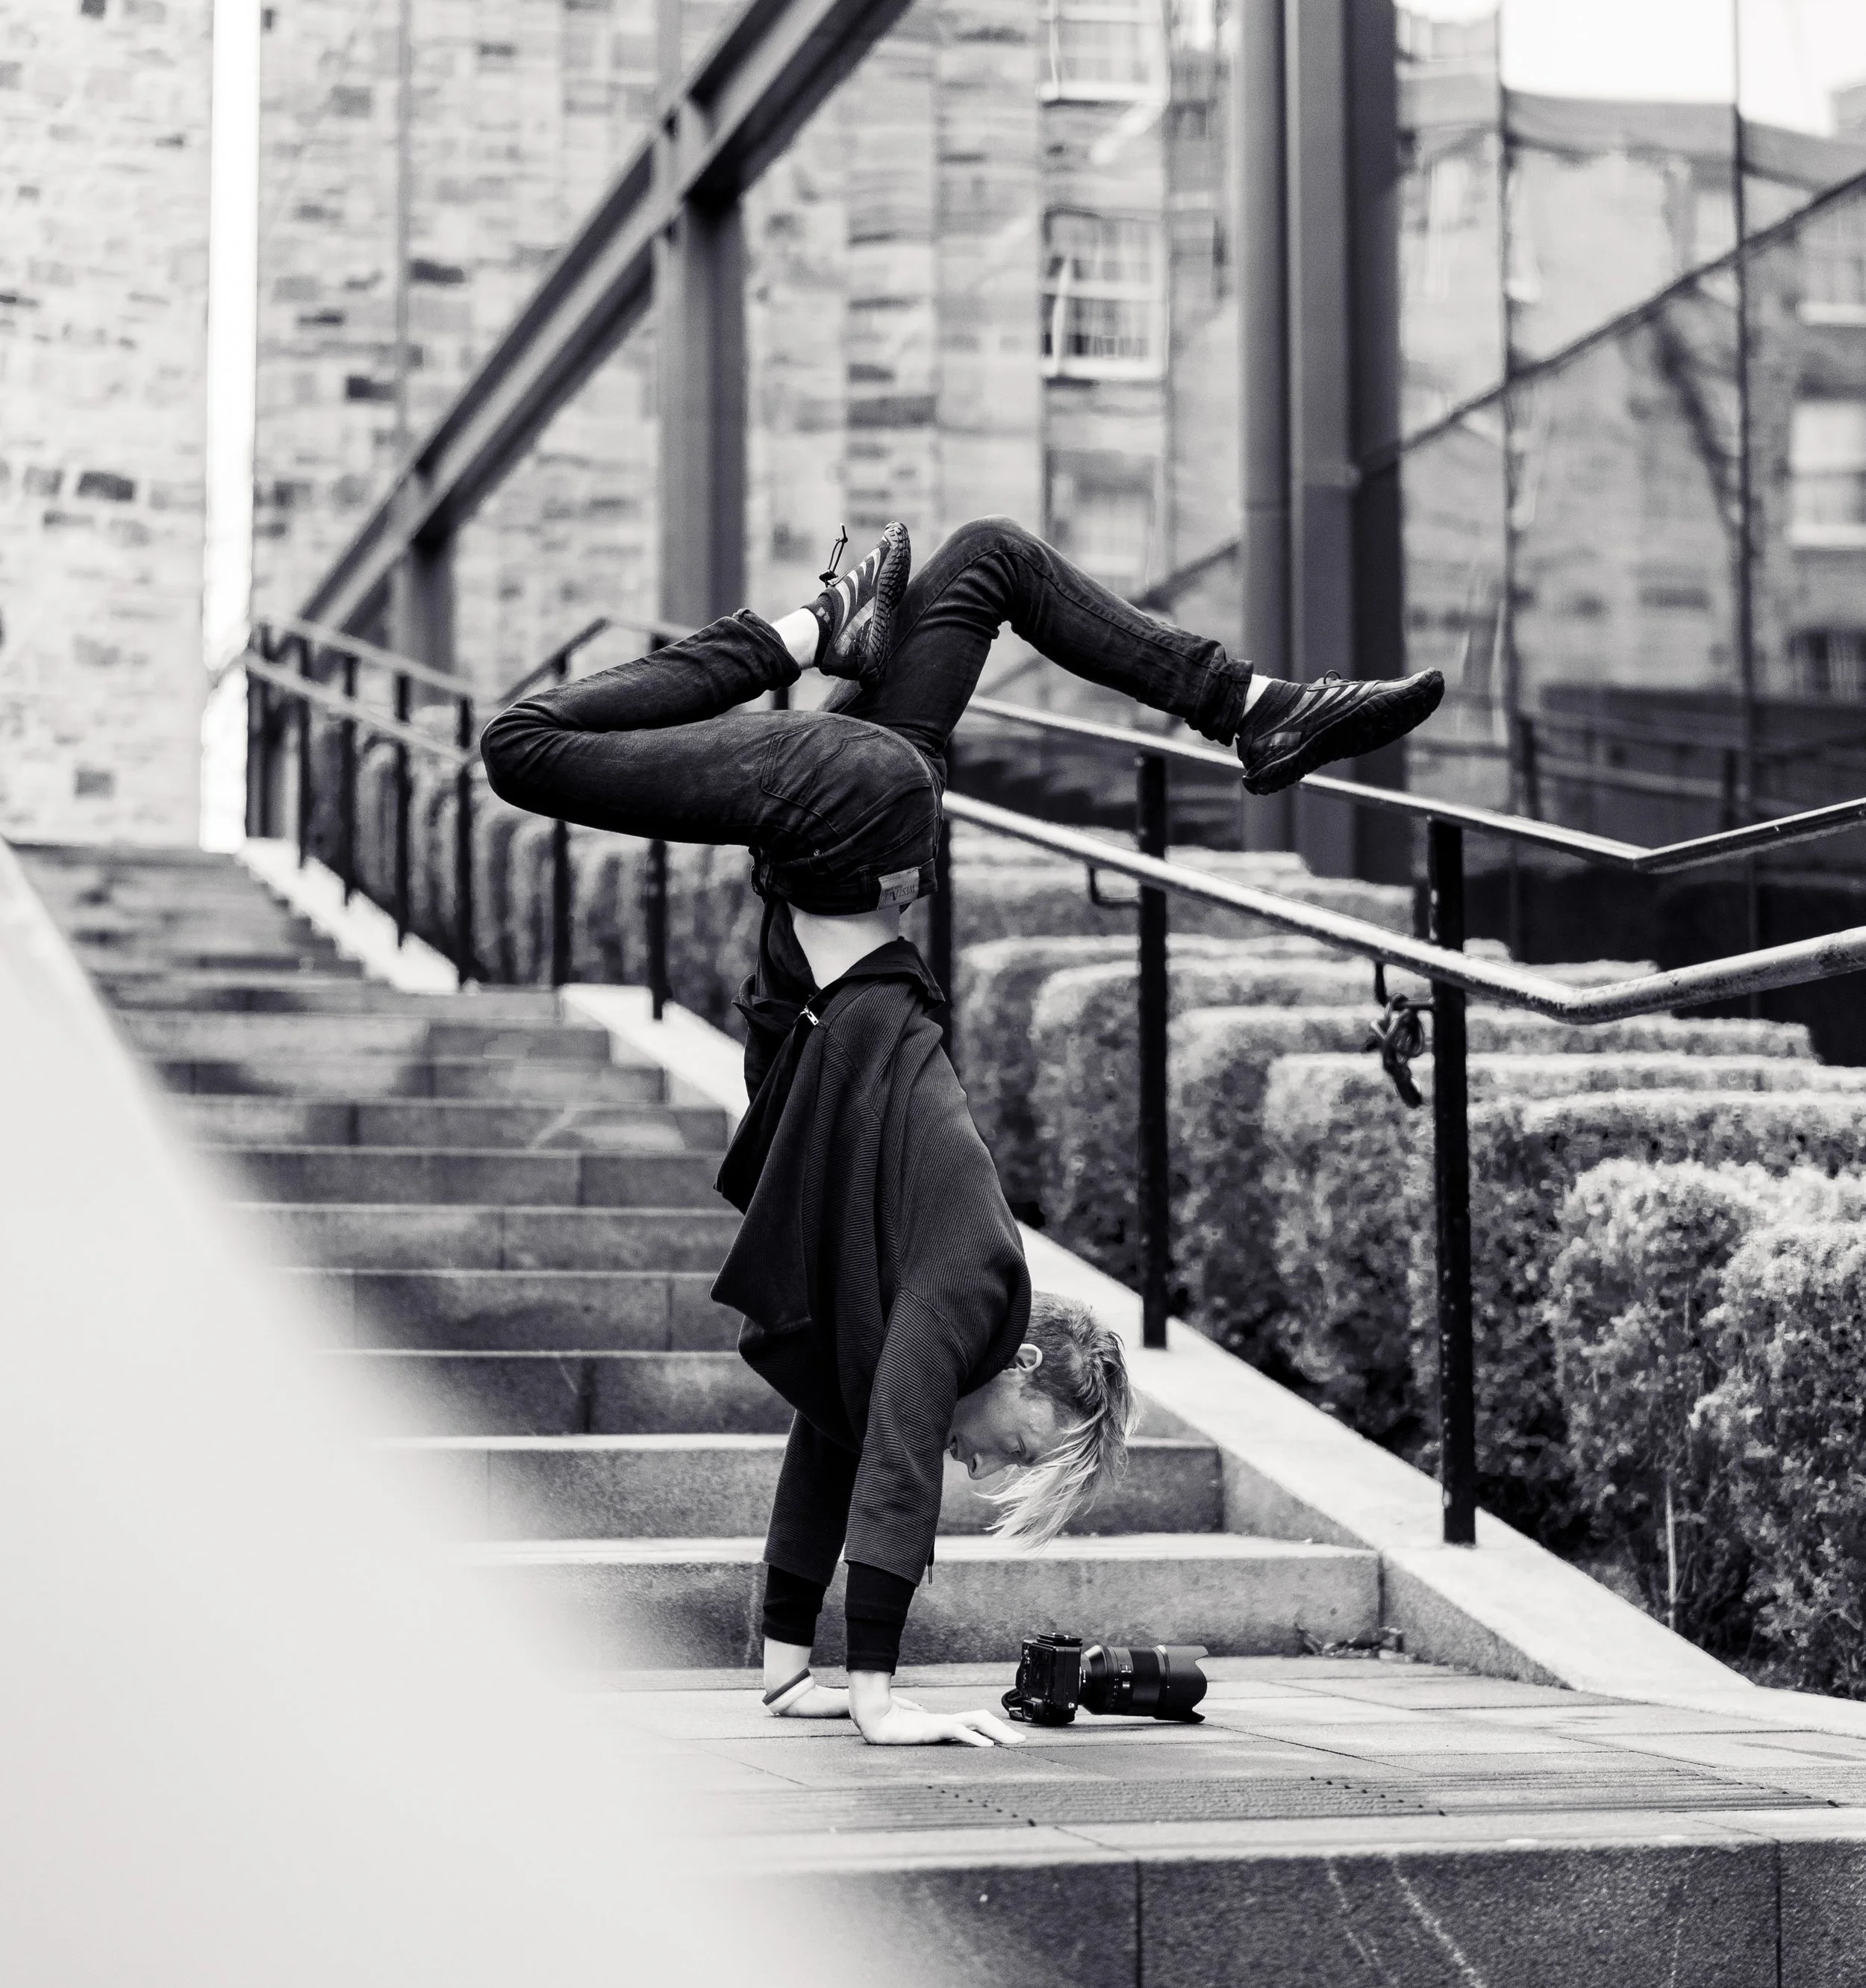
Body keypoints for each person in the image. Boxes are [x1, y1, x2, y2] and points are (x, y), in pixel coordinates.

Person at [481, 516, 1442, 1748]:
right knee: (522, 746)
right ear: (1036, 1372)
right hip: (853, 823)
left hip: (856, 842)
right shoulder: (975, 1284)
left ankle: (1255, 708)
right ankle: (812, 629)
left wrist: (793, 1669)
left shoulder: (887, 1309)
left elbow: (836, 1444)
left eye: (996, 1479)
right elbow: (895, 1459)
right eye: (1017, 1455)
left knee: (992, 558)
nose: (984, 1469)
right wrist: (882, 1695)